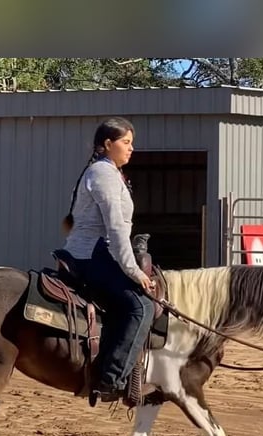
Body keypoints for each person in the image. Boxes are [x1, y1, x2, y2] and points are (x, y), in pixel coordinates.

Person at [60, 117, 156, 403]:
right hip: (91, 254)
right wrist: (133, 271)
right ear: (107, 144)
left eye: (131, 142)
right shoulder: (103, 174)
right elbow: (115, 229)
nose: (131, 148)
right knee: (141, 307)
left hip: (96, 250)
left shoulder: (108, 172)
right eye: (126, 142)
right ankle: (110, 379)